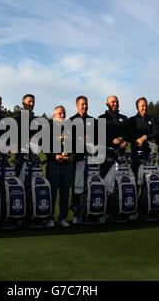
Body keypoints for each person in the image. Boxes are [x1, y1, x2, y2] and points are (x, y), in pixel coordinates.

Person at [69, 96, 97, 224]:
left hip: (92, 158)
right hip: (78, 158)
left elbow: (98, 138)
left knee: (91, 186)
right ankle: (76, 213)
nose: (84, 106)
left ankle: (90, 211)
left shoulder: (93, 120)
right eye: (82, 104)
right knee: (77, 186)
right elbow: (68, 141)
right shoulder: (71, 121)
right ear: (77, 105)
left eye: (86, 104)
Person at [45, 106, 74, 228]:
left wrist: (72, 155)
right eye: (60, 113)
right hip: (54, 164)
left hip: (67, 165)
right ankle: (49, 218)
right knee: (51, 192)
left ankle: (62, 217)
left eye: (64, 113)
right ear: (54, 116)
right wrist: (55, 155)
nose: (62, 116)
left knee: (65, 193)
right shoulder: (48, 129)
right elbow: (45, 147)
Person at [128, 97, 159, 184]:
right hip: (136, 155)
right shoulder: (132, 120)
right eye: (142, 106)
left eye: (146, 105)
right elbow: (130, 136)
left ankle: (146, 197)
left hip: (149, 155)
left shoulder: (152, 119)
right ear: (137, 107)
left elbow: (157, 133)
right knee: (135, 181)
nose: (145, 108)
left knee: (149, 182)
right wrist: (149, 138)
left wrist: (145, 137)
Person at [98, 95, 130, 178]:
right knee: (104, 182)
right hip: (106, 156)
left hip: (121, 155)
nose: (115, 104)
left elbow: (129, 134)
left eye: (117, 102)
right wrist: (111, 141)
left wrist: (123, 140)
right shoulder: (101, 118)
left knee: (121, 182)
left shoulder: (124, 118)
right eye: (113, 102)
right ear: (107, 104)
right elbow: (99, 137)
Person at [14, 94, 37, 176]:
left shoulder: (36, 120)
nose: (31, 104)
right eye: (29, 101)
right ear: (23, 103)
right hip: (21, 156)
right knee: (20, 182)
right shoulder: (17, 120)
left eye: (33, 102)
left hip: (34, 156)